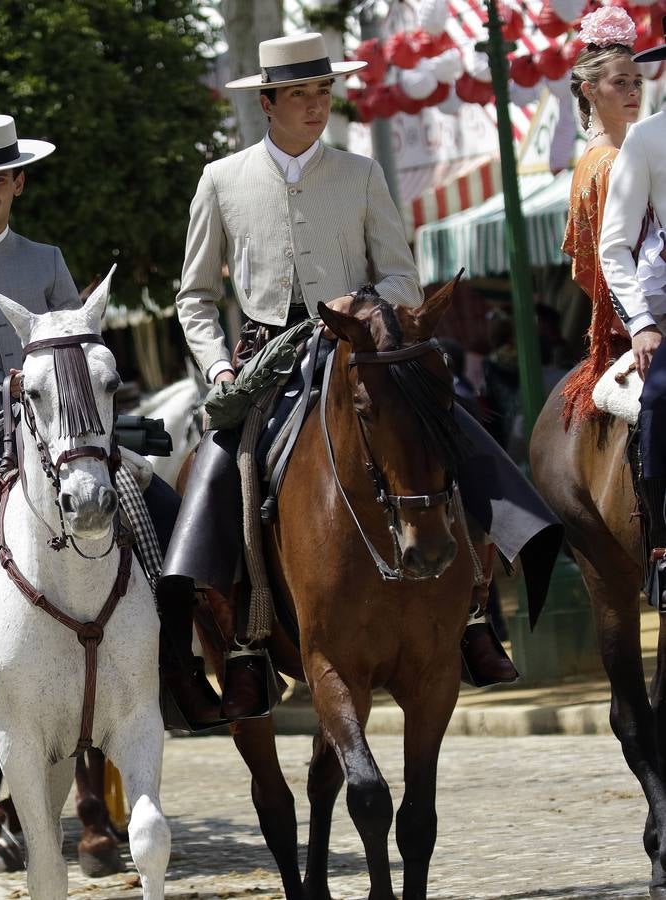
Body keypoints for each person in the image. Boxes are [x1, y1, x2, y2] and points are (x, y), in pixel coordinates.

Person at [165, 33, 538, 716]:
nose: (315, 105)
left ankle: (477, 613)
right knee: (222, 467)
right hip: (263, 361)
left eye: (322, 92)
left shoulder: (362, 173)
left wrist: (370, 310)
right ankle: (241, 641)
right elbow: (192, 295)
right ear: (269, 102)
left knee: (448, 426)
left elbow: (399, 268)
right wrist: (217, 365)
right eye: (301, 95)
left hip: (359, 350)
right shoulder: (219, 179)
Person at [0, 114, 216, 758]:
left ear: (18, 182)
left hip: (61, 437)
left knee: (167, 513)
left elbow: (85, 344)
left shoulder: (47, 261)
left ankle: (177, 665)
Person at [600, 21, 666, 599]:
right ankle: (664, 547)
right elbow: (612, 245)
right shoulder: (647, 139)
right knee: (661, 403)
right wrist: (642, 323)